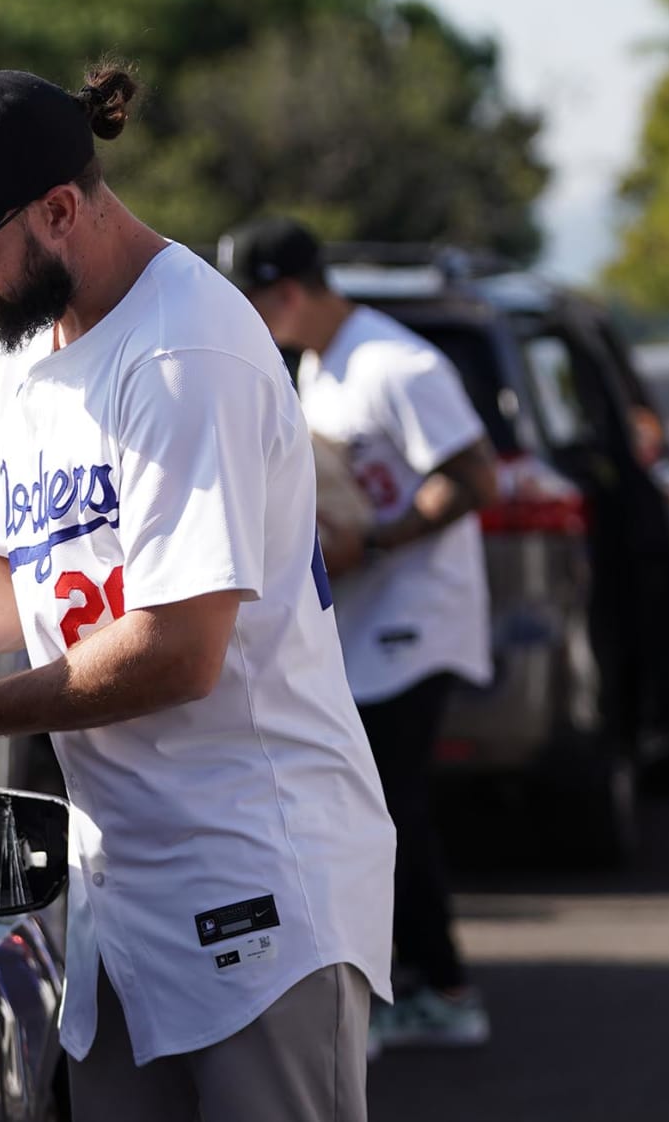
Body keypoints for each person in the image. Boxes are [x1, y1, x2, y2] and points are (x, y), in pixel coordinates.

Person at [0, 65, 396, 1122]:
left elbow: (176, 650)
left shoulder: (184, 352)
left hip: (256, 885)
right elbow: (8, 585)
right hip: (122, 894)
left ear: (61, 210)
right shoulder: (29, 349)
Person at [218, 216, 497, 1052]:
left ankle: (442, 988)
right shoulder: (320, 363)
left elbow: (474, 475)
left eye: (260, 304)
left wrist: (374, 542)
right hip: (370, 624)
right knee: (368, 811)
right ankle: (418, 980)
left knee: (386, 811)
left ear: (291, 293)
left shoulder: (396, 363)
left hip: (417, 621)